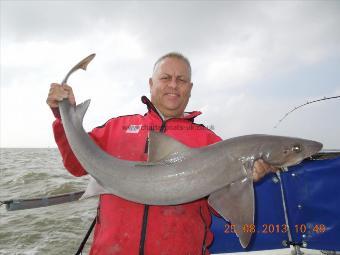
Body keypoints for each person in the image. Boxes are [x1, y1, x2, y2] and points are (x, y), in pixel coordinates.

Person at [47, 52, 276, 255]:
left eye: (182, 80)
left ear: (190, 88)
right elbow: (76, 165)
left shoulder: (210, 141)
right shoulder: (117, 127)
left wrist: (244, 178)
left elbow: (218, 206)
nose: (173, 85)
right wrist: (62, 114)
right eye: (165, 78)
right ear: (151, 83)